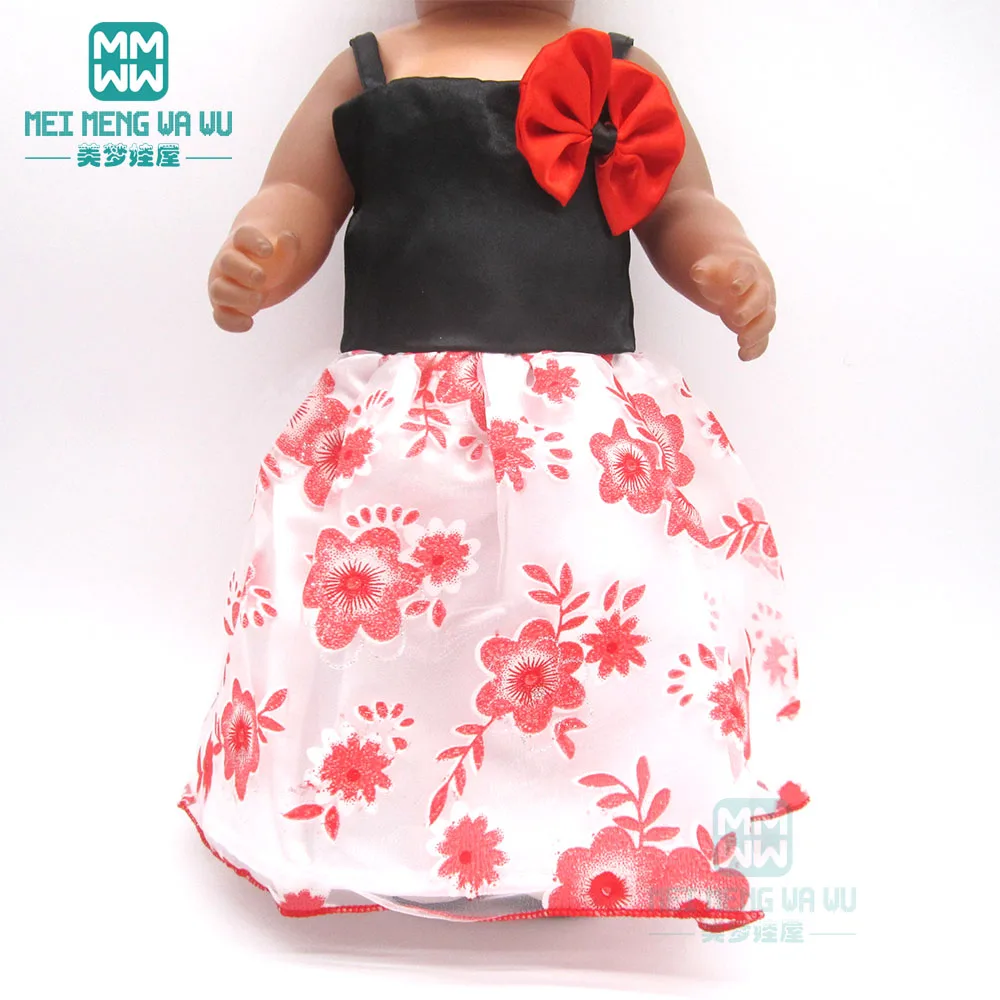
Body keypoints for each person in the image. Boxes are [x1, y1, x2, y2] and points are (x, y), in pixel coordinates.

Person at [183, 0, 809, 928]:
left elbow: (680, 200)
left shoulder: (619, 68)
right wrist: (266, 247)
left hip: (580, 432)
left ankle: (588, 811)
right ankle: (388, 813)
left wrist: (722, 256)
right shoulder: (373, 65)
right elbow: (300, 194)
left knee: (605, 611)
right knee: (392, 623)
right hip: (404, 431)